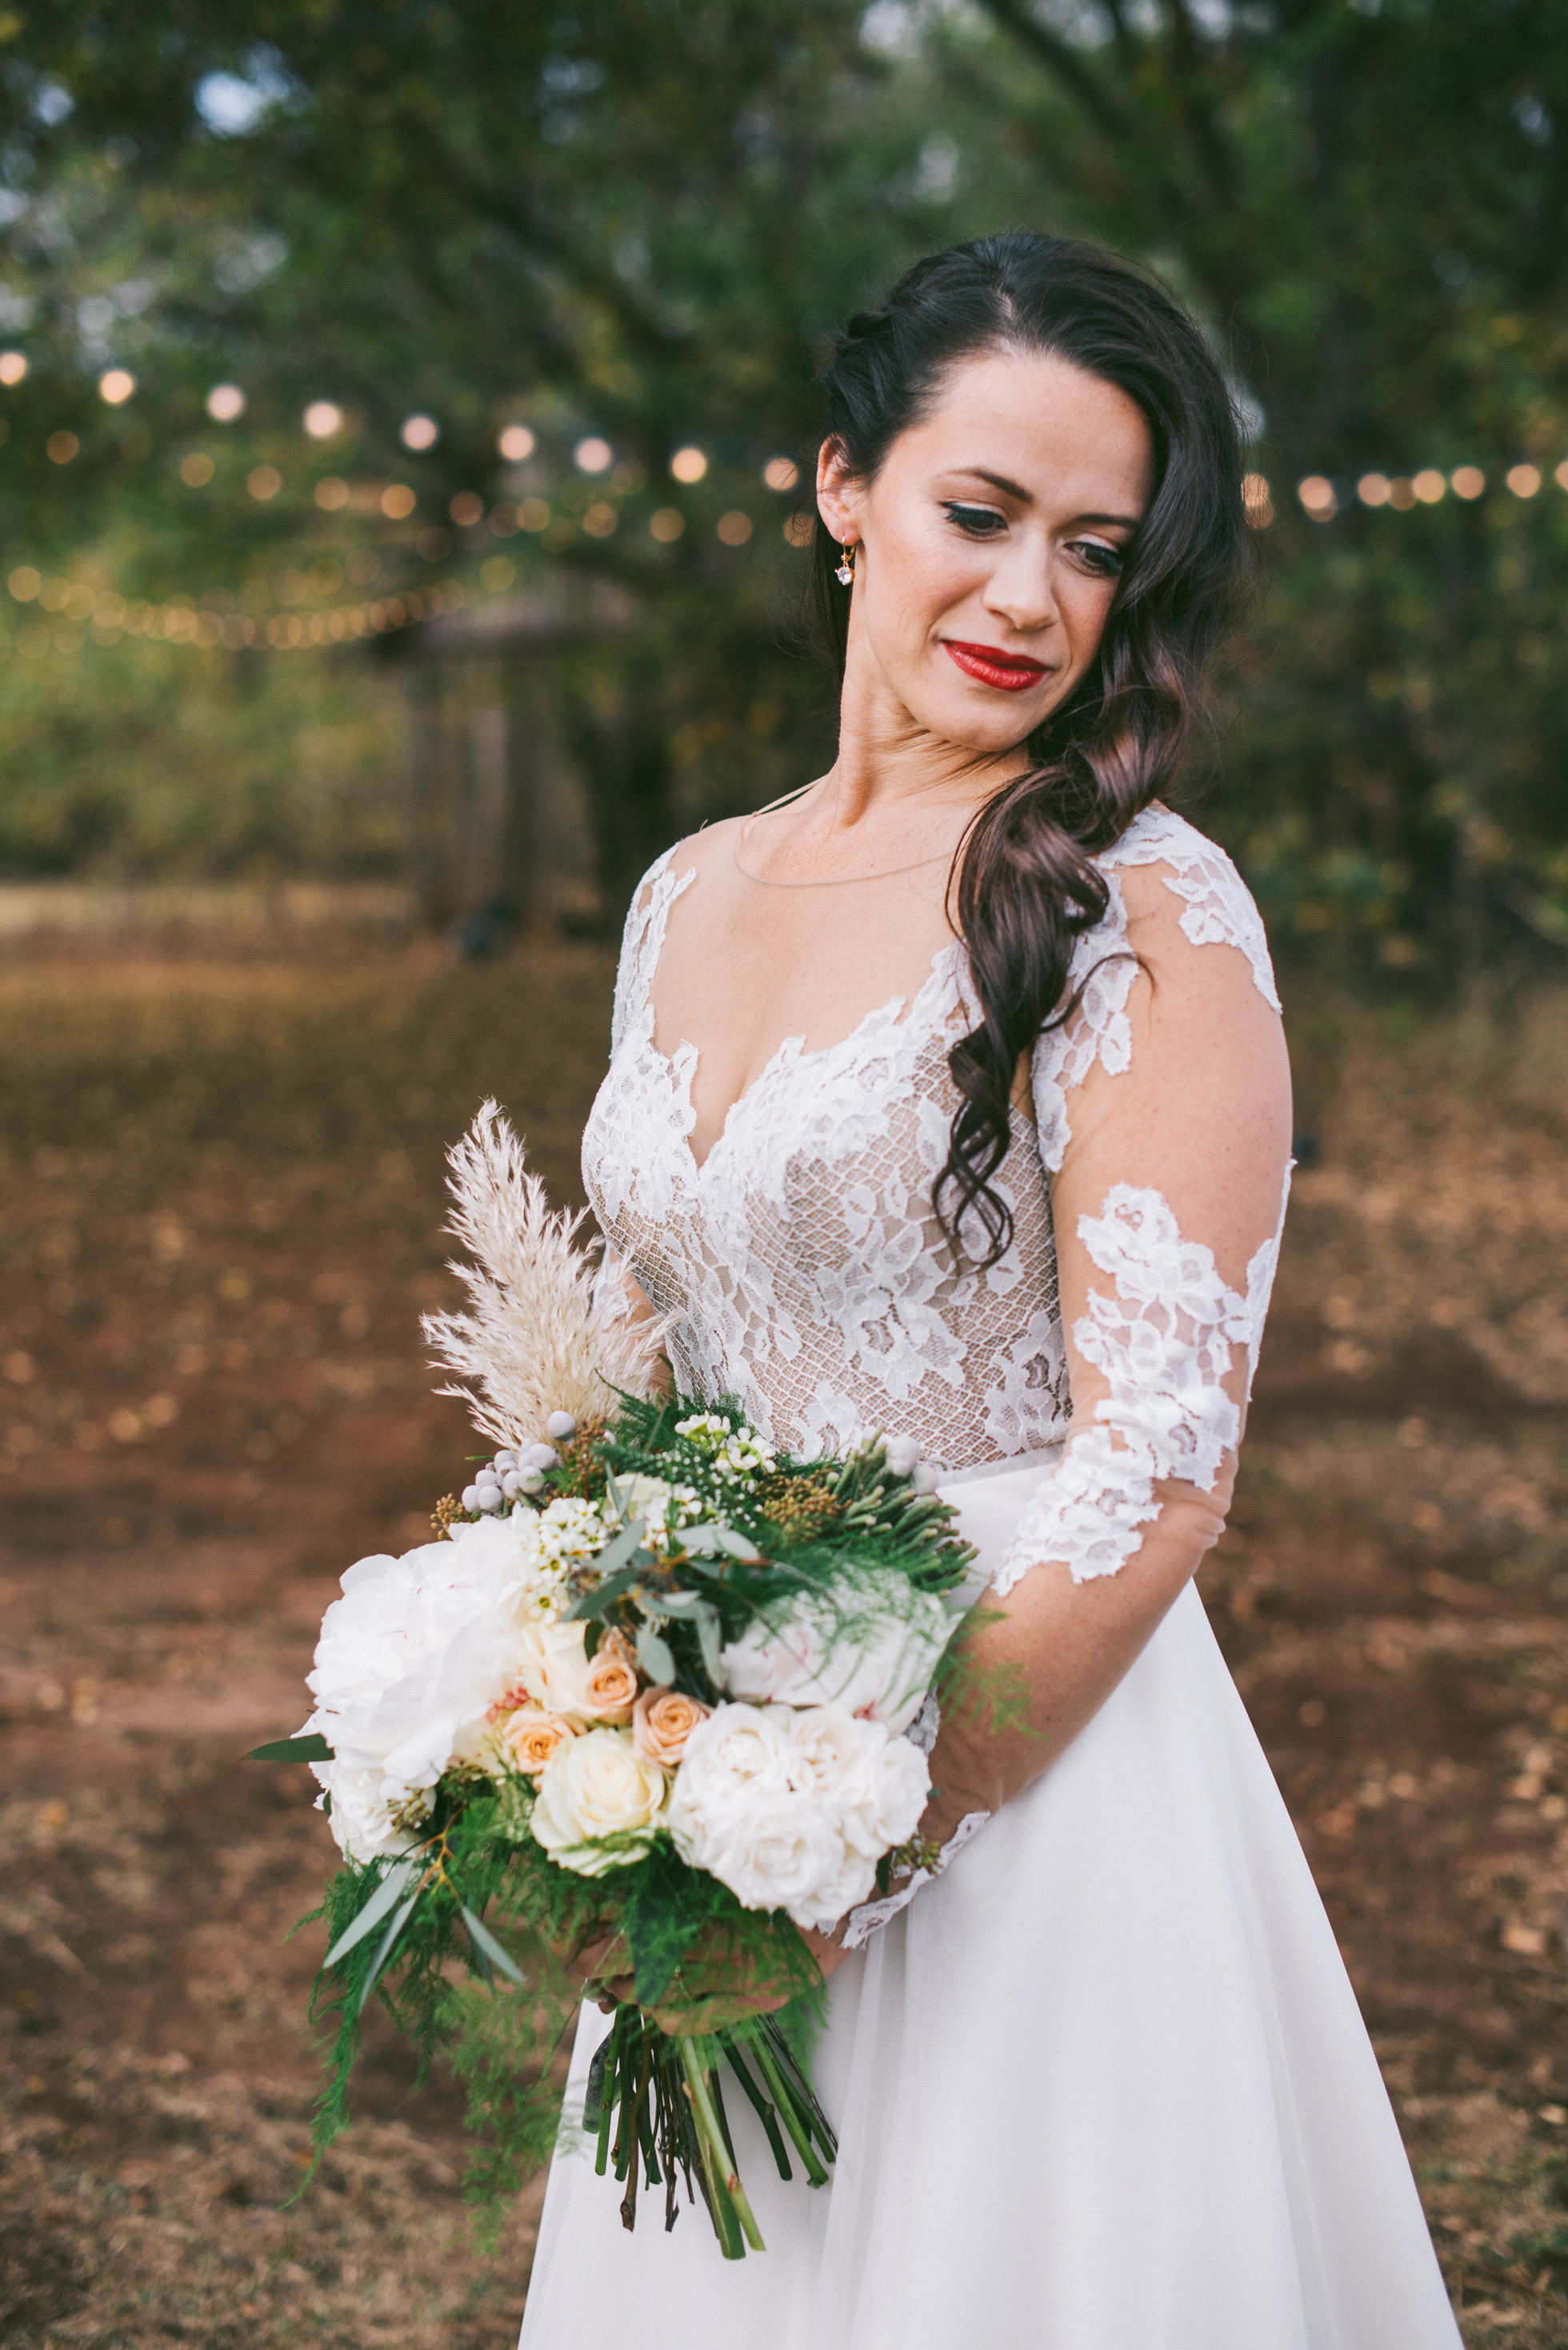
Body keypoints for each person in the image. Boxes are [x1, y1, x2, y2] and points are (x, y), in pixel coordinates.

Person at [518, 233, 1459, 2348]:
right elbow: (646, 1383)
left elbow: (1161, 1468)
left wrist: (865, 1833)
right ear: (843, 486)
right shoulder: (686, 890)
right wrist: (600, 1728)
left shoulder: (1140, 907)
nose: (1032, 596)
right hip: (712, 1737)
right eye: (980, 513)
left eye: (1096, 546)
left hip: (1031, 1768)